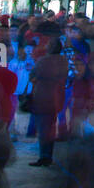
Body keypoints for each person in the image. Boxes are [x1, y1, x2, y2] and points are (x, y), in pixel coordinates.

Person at [27, 37, 68, 166]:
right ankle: (48, 155)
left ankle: (44, 156)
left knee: (43, 129)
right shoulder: (64, 61)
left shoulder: (43, 61)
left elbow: (32, 76)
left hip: (43, 98)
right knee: (50, 126)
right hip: (57, 97)